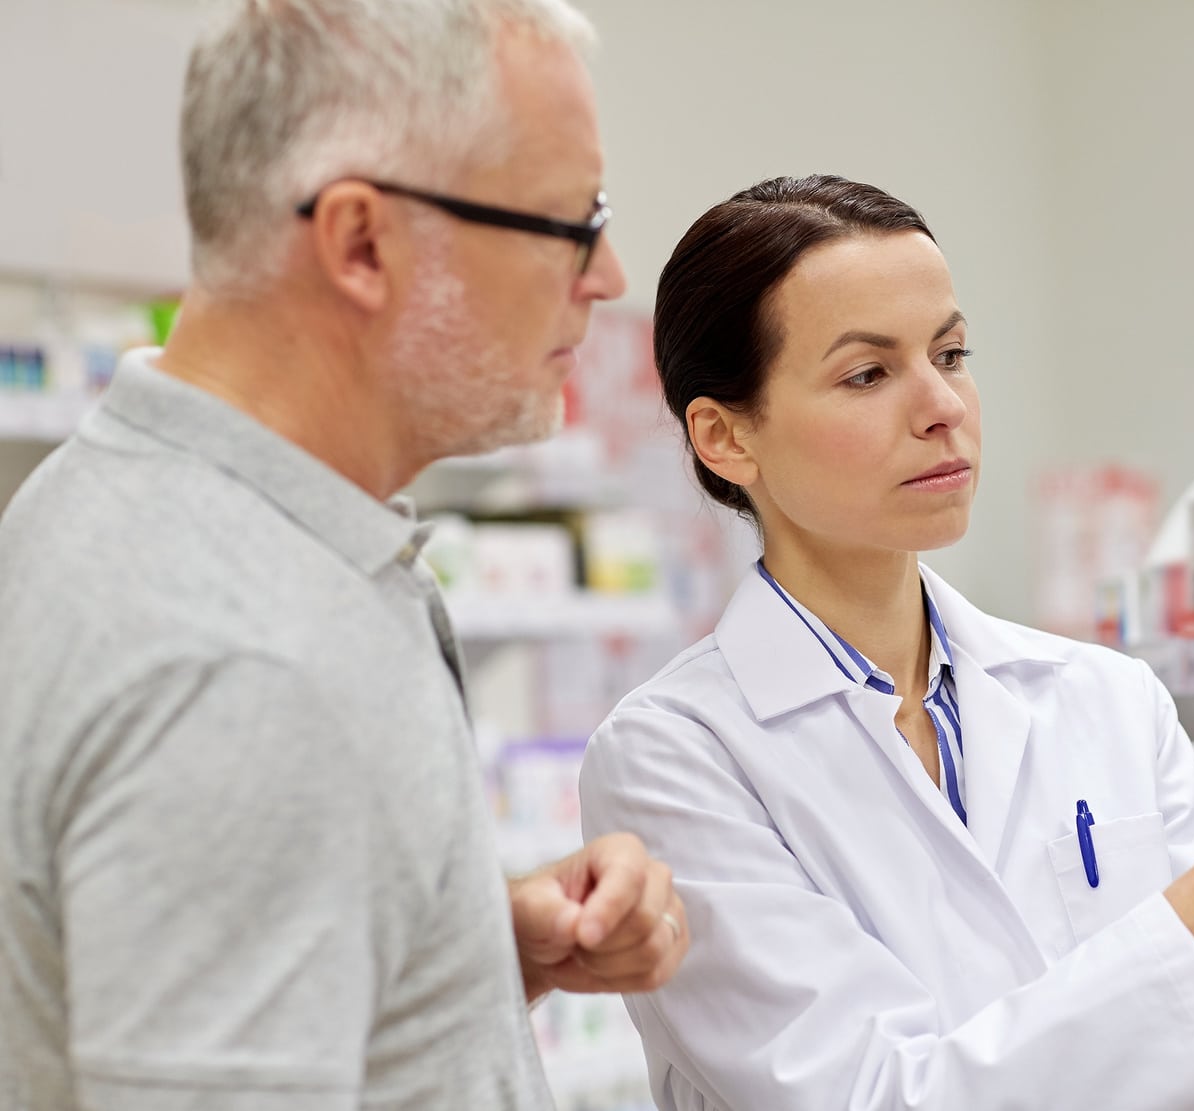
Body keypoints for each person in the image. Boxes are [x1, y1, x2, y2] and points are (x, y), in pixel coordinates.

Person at [578, 174, 1194, 1110]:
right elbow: (873, 1095)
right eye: (868, 373)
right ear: (725, 438)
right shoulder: (672, 755)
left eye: (950, 354)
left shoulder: (1107, 697)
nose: (940, 406)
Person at [0, 2, 687, 1108]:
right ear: (363, 243)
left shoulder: (115, 495)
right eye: (570, 221)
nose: (606, 275)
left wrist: (456, 947)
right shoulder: (251, 664)